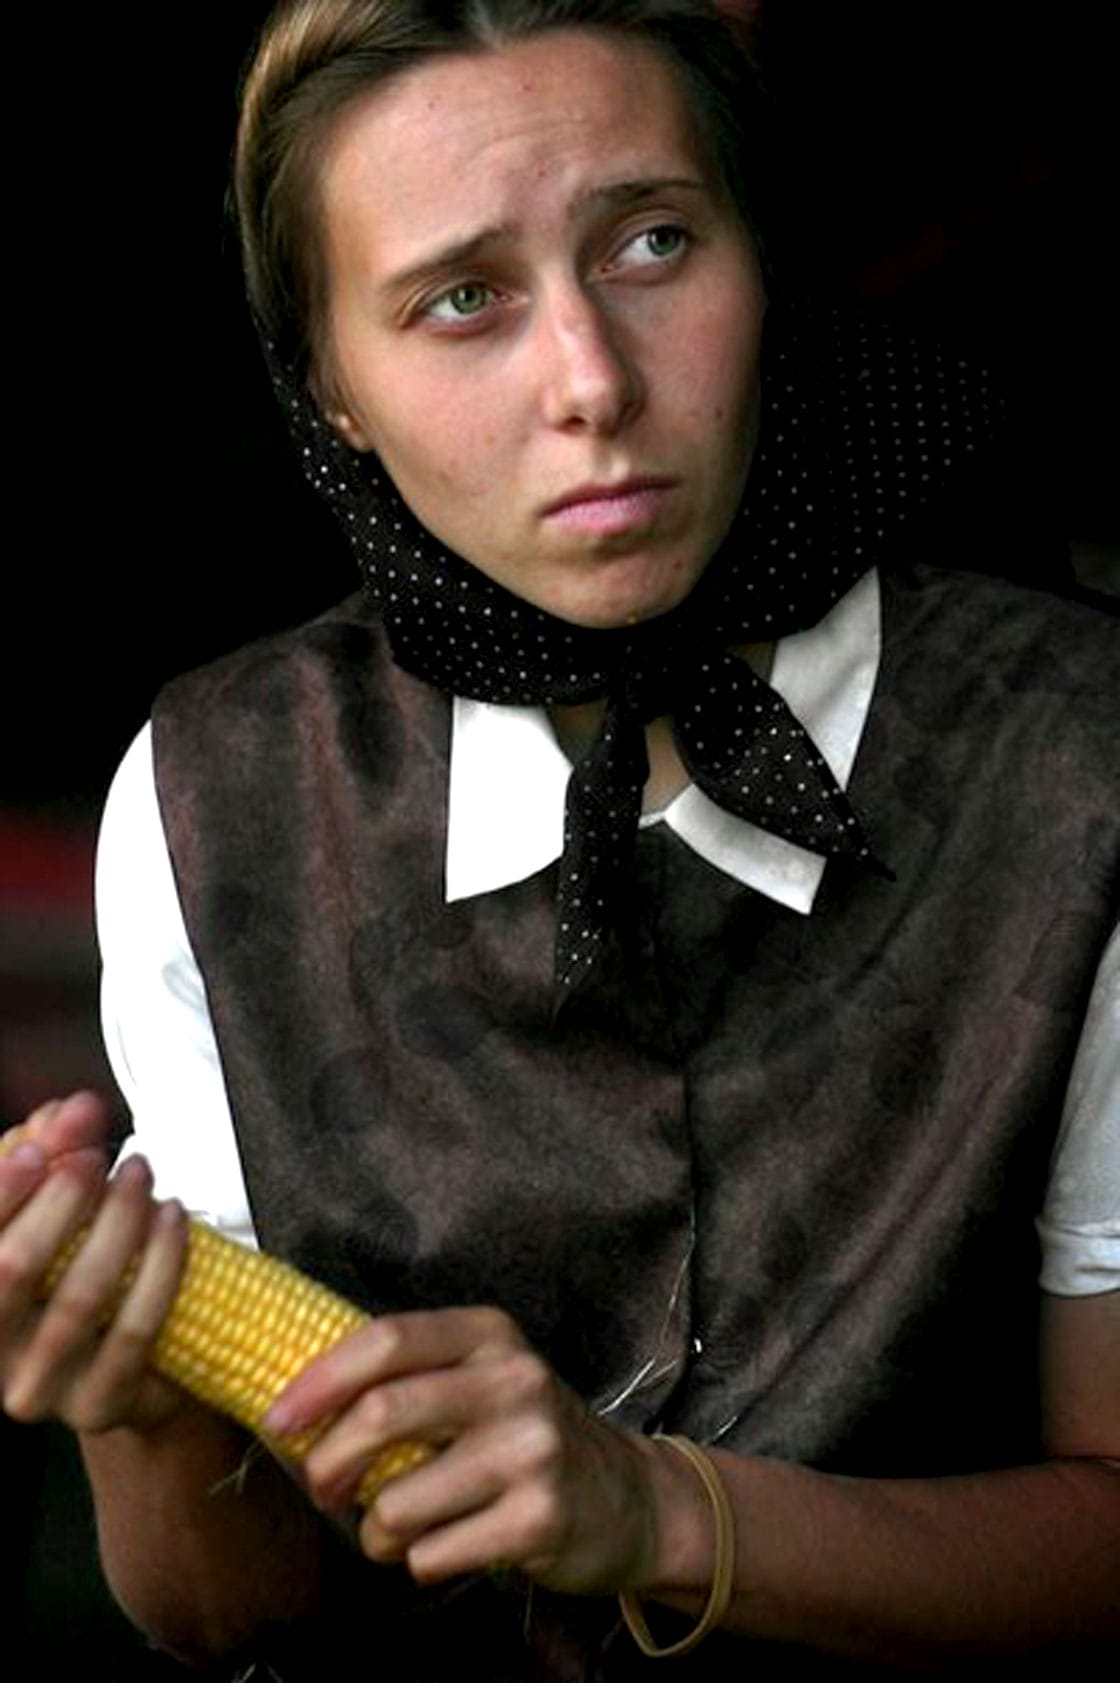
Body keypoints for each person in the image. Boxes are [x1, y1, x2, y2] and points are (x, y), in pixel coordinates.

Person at [2, 0, 1117, 1674]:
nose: (591, 383)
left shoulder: (1077, 760)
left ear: (769, 262)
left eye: (655, 243)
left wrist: (660, 1513)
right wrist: (140, 1411)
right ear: (334, 390)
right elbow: (237, 1614)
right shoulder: (218, 796)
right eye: (463, 300)